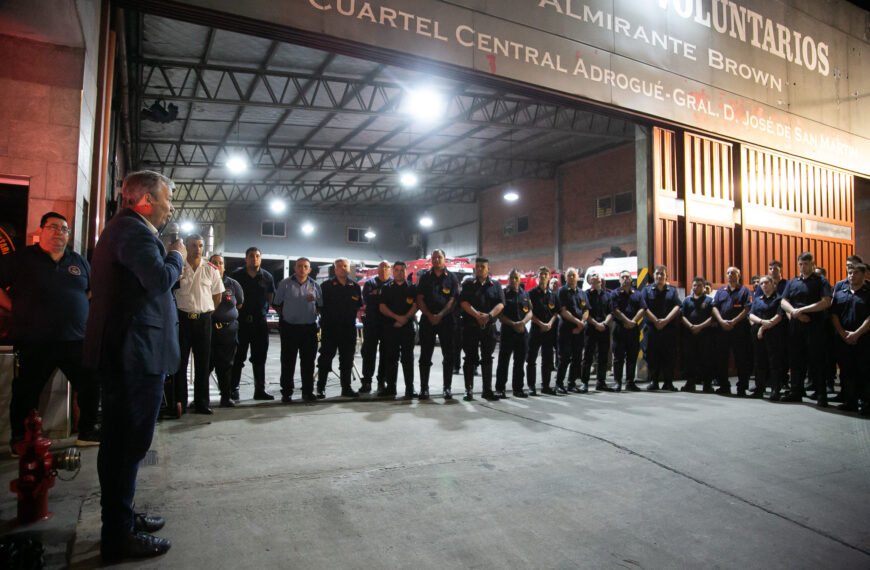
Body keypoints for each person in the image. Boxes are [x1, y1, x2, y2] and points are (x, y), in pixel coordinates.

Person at [83, 170, 182, 561]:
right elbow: (158, 280)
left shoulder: (125, 230)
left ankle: (121, 519)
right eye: (165, 199)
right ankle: (117, 536)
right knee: (127, 444)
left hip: (132, 353)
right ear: (144, 200)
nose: (169, 207)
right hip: (133, 355)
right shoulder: (134, 232)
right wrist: (175, 256)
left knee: (124, 444)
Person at [0, 212, 100, 453]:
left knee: (90, 385)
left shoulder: (78, 261)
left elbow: (91, 290)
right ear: (42, 230)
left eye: (64, 229)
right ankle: (20, 439)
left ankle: (87, 431)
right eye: (53, 227)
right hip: (34, 339)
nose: (59, 233)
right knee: (26, 391)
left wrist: (77, 309)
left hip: (75, 339)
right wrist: (14, 307)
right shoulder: (21, 258)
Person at [172, 233, 224, 414]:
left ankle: (202, 403)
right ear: (186, 246)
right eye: (193, 245)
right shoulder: (178, 268)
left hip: (203, 320)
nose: (197, 249)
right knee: (180, 363)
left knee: (203, 363)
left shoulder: (211, 269)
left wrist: (207, 311)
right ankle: (180, 402)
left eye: (200, 245)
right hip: (182, 320)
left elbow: (217, 296)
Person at [780, 252, 833, 406]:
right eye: (801, 264)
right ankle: (796, 392)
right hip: (796, 325)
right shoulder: (792, 282)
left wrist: (803, 311)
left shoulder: (820, 280)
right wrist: (795, 313)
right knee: (796, 361)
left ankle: (821, 395)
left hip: (814, 325)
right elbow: (783, 301)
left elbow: (826, 302)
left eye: (806, 264)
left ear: (812, 264)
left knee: (817, 361)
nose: (803, 267)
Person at [272, 257, 321, 403]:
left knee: (308, 362)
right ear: (295, 268)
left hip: (309, 329)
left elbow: (320, 306)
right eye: (299, 266)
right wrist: (288, 314)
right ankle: (287, 392)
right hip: (290, 329)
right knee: (288, 362)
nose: (302, 269)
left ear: (310, 269)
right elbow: (276, 304)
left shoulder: (315, 285)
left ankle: (307, 392)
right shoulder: (285, 284)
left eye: (306, 267)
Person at [230, 247, 276, 401]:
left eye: (257, 256)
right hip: (241, 323)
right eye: (251, 256)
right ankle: (233, 389)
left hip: (259, 324)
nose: (254, 259)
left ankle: (260, 390)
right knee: (238, 358)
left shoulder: (267, 277)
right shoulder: (237, 276)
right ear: (246, 258)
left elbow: (270, 297)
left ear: (260, 259)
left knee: (260, 358)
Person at [417, 249, 461, 400]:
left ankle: (447, 388)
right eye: (434, 257)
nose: (436, 260)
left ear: (444, 259)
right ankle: (424, 388)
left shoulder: (452, 278)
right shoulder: (424, 277)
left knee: (448, 355)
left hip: (447, 321)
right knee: (425, 355)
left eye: (439, 257)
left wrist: (440, 315)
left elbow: (453, 300)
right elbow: (420, 298)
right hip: (427, 320)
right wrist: (430, 315)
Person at [459, 258, 505, 401]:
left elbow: (501, 304)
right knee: (469, 358)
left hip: (488, 328)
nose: (479, 269)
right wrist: (477, 315)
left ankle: (487, 390)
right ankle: (469, 390)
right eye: (477, 266)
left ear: (488, 269)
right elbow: (463, 302)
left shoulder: (496, 285)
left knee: (487, 359)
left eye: (482, 267)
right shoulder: (468, 284)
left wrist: (489, 315)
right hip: (471, 327)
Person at [318, 257, 362, 398]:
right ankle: (320, 388)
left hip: (348, 329)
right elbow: (319, 307)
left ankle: (346, 388)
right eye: (339, 266)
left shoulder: (355, 287)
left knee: (347, 359)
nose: (343, 268)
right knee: (325, 359)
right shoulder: (326, 286)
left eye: (345, 266)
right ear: (335, 269)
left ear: (349, 268)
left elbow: (358, 306)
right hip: (331, 329)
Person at [830, 263, 870, 415]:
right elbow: (834, 315)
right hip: (844, 339)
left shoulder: (868, 293)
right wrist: (842, 333)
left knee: (865, 372)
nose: (852, 275)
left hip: (865, 339)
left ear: (864, 274)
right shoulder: (841, 294)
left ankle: (867, 403)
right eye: (849, 273)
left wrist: (857, 333)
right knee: (847, 371)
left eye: (855, 273)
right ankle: (850, 401)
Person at [208, 254, 244, 408]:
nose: (217, 265)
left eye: (220, 263)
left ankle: (226, 397)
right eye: (214, 263)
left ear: (224, 266)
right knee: (206, 365)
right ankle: (201, 399)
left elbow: (240, 304)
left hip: (228, 331)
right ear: (209, 265)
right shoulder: (204, 281)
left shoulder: (233, 285)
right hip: (208, 330)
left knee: (226, 366)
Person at [379, 261, 418, 398]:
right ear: (392, 271)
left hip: (407, 329)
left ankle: (410, 388)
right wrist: (397, 317)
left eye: (402, 270)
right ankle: (391, 387)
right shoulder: (386, 288)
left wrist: (405, 318)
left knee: (408, 359)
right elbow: (382, 307)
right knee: (391, 359)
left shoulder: (412, 288)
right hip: (390, 328)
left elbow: (416, 305)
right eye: (396, 270)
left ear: (406, 272)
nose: (399, 272)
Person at [711, 267, 753, 397]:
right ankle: (724, 386)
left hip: (739, 330)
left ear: (739, 275)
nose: (730, 275)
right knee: (721, 358)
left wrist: (734, 321)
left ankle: (742, 387)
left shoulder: (745, 291)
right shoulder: (720, 292)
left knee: (741, 359)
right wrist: (721, 321)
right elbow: (714, 308)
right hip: (722, 330)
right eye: (728, 273)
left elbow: (747, 308)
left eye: (733, 273)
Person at [640, 265, 682, 391]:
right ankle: (654, 382)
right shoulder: (646, 290)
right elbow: (644, 307)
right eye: (657, 273)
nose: (659, 276)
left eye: (662, 274)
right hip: (652, 329)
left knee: (669, 355)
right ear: (654, 275)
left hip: (668, 329)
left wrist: (665, 320)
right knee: (652, 355)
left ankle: (668, 382)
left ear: (666, 276)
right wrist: (656, 321)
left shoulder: (672, 291)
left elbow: (677, 306)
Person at [748, 275, 786, 400]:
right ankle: (760, 388)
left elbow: (779, 316)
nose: (763, 285)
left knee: (774, 362)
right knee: (759, 362)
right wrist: (762, 322)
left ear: (773, 284)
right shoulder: (757, 299)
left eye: (766, 283)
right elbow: (751, 314)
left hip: (774, 333)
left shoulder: (779, 299)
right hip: (758, 333)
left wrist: (763, 326)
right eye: (762, 283)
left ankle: (775, 389)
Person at [496, 269, 532, 398]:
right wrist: (513, 324)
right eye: (511, 277)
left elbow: (530, 312)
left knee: (519, 362)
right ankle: (500, 389)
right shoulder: (504, 294)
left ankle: (518, 389)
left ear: (520, 279)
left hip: (522, 333)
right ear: (508, 279)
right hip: (508, 332)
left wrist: (522, 322)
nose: (514, 280)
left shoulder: (525, 294)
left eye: (516, 277)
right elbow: (500, 314)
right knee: (503, 362)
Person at [360, 261, 391, 394]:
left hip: (388, 324)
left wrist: (379, 297)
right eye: (381, 267)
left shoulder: (393, 284)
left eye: (386, 267)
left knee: (385, 354)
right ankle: (367, 381)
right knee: (369, 353)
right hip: (372, 323)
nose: (384, 269)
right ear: (377, 269)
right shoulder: (369, 284)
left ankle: (381, 381)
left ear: (390, 270)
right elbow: (368, 301)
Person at [527, 267, 558, 396]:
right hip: (536, 329)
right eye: (541, 274)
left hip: (549, 331)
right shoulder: (531, 294)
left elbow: (556, 312)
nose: (544, 276)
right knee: (531, 359)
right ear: (537, 278)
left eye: (546, 274)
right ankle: (531, 386)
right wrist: (540, 324)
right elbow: (529, 312)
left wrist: (549, 324)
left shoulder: (553, 295)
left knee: (547, 359)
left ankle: (546, 386)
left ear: (549, 277)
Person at [610, 270, 644, 392]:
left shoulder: (638, 294)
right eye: (622, 277)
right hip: (619, 329)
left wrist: (633, 321)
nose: (625, 279)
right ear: (619, 280)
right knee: (618, 357)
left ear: (631, 279)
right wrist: (626, 321)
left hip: (633, 330)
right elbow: (615, 310)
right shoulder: (614, 293)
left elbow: (642, 309)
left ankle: (630, 382)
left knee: (632, 356)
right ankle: (617, 382)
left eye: (627, 277)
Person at [680, 276, 715, 393]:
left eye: (699, 285)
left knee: (706, 359)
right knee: (690, 360)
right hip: (690, 335)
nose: (696, 287)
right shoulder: (686, 300)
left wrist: (700, 327)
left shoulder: (709, 301)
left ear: (704, 287)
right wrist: (690, 326)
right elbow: (682, 316)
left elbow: (712, 317)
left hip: (705, 335)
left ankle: (707, 384)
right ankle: (690, 383)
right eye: (694, 285)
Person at [556, 267, 587, 394]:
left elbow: (586, 310)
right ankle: (559, 384)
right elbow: (563, 311)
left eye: (574, 275)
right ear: (565, 277)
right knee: (564, 358)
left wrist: (582, 323)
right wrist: (577, 322)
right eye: (569, 275)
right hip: (566, 330)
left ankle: (571, 383)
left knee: (577, 358)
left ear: (578, 277)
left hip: (579, 331)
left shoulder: (582, 293)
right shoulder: (561, 291)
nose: (572, 277)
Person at [581, 270, 613, 392]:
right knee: (588, 356)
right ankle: (584, 383)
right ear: (589, 280)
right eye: (593, 275)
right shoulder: (585, 295)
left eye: (597, 275)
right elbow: (585, 312)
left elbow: (611, 312)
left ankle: (601, 382)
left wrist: (604, 323)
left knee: (603, 356)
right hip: (591, 328)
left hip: (604, 328)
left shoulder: (607, 295)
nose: (596, 276)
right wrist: (596, 324)